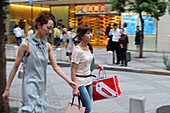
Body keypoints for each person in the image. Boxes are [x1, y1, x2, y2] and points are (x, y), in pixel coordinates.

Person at [2, 11, 78, 113]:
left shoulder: (47, 46)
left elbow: (56, 67)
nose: (50, 32)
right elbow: (15, 67)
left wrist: (69, 81)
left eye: (52, 29)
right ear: (39, 25)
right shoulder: (26, 45)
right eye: (48, 27)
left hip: (42, 87)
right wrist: (7, 89)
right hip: (29, 86)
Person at [71, 25, 104, 113]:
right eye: (88, 33)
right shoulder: (77, 50)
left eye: (91, 33)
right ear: (81, 36)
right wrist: (75, 88)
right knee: (88, 107)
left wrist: (97, 65)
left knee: (86, 107)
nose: (91, 35)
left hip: (89, 81)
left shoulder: (89, 48)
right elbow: (73, 70)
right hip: (80, 82)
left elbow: (87, 62)